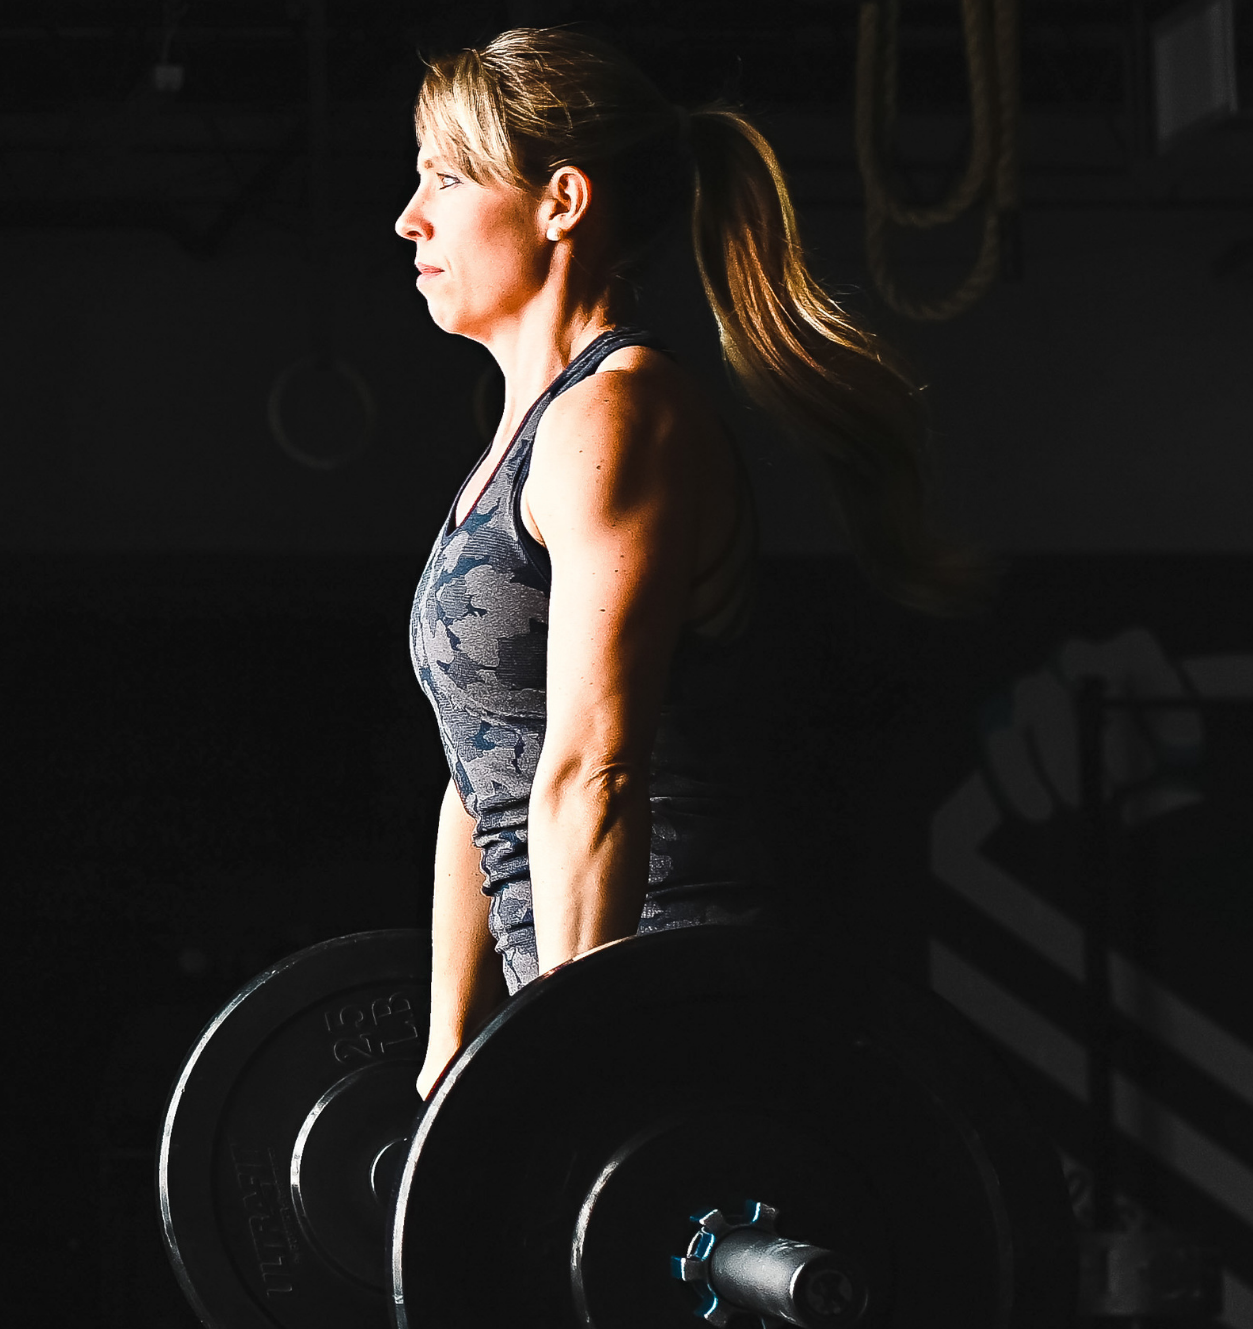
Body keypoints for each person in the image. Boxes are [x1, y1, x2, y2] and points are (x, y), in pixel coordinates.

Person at [397, 27, 985, 1100]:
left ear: (560, 202)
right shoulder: (519, 444)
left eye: (446, 177)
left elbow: (595, 771)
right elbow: (482, 763)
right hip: (574, 1003)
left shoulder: (615, 415)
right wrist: (451, 1042)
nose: (410, 216)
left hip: (684, 1008)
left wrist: (564, 1059)